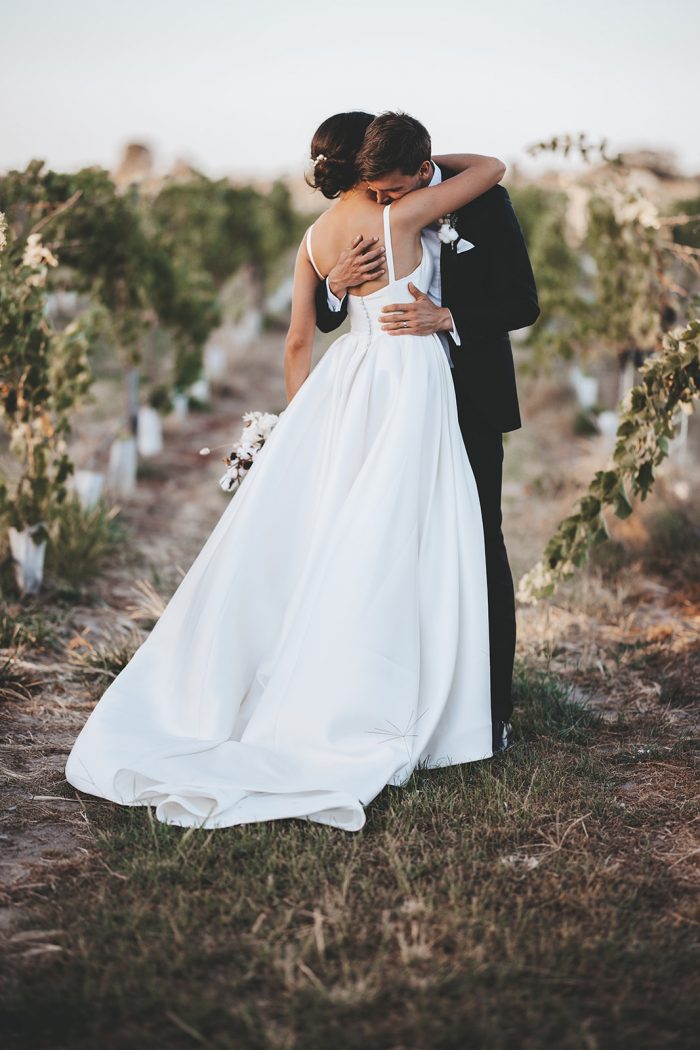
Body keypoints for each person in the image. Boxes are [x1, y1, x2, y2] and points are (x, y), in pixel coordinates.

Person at [64, 111, 506, 832]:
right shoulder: (404, 213)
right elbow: (491, 168)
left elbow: (299, 342)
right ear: (373, 164)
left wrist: (305, 431)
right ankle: (405, 691)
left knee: (345, 527)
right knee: (408, 529)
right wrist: (429, 166)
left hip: (346, 382)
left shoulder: (313, 239)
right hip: (407, 380)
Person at [314, 112, 541, 753]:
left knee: (480, 543)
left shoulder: (486, 203)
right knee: (394, 545)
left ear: (423, 170)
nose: (384, 203)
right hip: (394, 402)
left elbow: (523, 302)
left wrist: (448, 317)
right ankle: (404, 696)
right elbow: (327, 317)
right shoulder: (374, 204)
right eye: (376, 192)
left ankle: (491, 708)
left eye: (393, 191)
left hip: (469, 396)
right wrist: (336, 286)